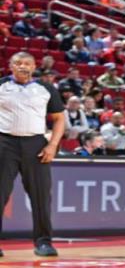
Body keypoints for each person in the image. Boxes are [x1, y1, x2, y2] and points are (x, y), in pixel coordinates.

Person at [0, 52, 65, 257]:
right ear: (11, 66)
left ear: (34, 67)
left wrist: (52, 145)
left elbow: (59, 119)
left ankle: (43, 242)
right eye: (18, 63)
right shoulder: (2, 85)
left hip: (36, 145)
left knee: (41, 196)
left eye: (27, 63)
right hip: (4, 143)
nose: (23, 66)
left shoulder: (46, 88)